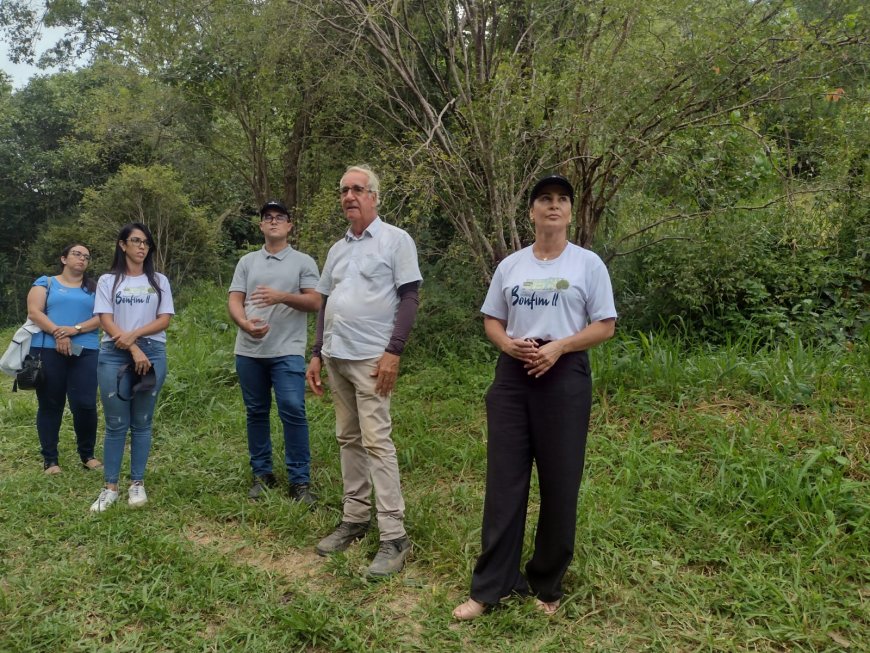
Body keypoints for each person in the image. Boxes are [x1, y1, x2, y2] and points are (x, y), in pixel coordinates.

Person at [452, 174, 617, 620]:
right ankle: (490, 587)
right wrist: (508, 345)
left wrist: (560, 346)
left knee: (560, 482)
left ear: (569, 212)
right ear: (531, 211)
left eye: (562, 199)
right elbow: (492, 319)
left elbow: (605, 325)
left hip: (564, 376)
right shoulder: (512, 266)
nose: (553, 205)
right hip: (513, 377)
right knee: (504, 482)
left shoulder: (588, 265)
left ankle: (546, 582)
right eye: (545, 198)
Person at [306, 164, 422, 578]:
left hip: (373, 359)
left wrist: (394, 351)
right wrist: (317, 352)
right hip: (336, 356)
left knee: (377, 442)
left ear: (374, 196)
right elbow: (324, 301)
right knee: (347, 439)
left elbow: (409, 298)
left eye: (358, 189)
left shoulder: (395, 240)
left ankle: (394, 535)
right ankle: (354, 519)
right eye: (343, 191)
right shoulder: (337, 249)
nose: (349, 196)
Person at [228, 200, 321, 503]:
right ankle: (262, 474)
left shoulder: (303, 261)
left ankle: (299, 480)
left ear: (289, 225)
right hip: (249, 350)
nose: (273, 222)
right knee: (256, 412)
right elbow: (235, 300)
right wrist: (244, 323)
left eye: (280, 217)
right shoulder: (247, 262)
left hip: (287, 350)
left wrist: (281, 296)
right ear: (261, 226)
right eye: (268, 218)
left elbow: (315, 302)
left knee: (293, 408)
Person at [89, 223, 175, 512]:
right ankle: (110, 486)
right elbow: (105, 318)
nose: (142, 247)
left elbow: (164, 319)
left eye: (146, 243)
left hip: (152, 352)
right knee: (115, 424)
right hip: (114, 352)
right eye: (135, 241)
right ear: (122, 244)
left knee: (142, 422)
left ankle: (137, 483)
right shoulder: (108, 281)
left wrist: (135, 337)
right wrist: (132, 345)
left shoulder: (159, 280)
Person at [26, 243, 102, 474]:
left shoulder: (94, 288)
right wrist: (59, 332)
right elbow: (34, 312)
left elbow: (102, 317)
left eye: (86, 257)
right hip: (48, 350)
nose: (82, 259)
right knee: (50, 404)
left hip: (86, 350)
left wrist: (75, 330)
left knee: (86, 405)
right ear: (63, 258)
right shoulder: (46, 283)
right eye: (77, 254)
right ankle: (50, 460)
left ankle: (87, 454)